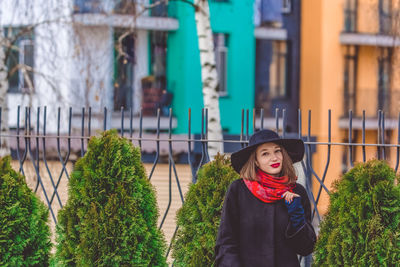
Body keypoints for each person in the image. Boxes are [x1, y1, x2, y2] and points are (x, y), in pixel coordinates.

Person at [215, 129, 316, 267]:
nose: (274, 158)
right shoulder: (238, 190)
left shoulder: (297, 192)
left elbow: (306, 248)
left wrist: (297, 217)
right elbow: (226, 242)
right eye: (265, 154)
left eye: (277, 151)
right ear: (255, 161)